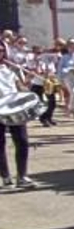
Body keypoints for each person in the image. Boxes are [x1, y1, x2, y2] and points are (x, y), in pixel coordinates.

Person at [0, 41, 36, 189]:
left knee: (22, 141)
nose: (0, 53)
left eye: (1, 50)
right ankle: (6, 177)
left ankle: (22, 176)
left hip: (14, 108)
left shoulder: (9, 69)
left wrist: (27, 84)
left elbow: (19, 87)